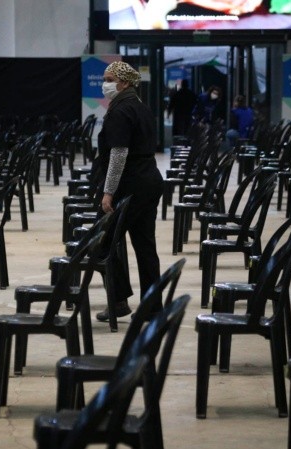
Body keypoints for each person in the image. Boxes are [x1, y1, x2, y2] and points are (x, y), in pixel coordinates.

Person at [95, 61, 165, 321]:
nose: (106, 83)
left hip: (131, 185)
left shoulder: (121, 111)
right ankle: (152, 305)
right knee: (145, 245)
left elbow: (119, 154)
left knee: (103, 241)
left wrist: (108, 191)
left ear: (124, 83)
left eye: (110, 78)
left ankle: (118, 300)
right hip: (149, 181)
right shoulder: (141, 107)